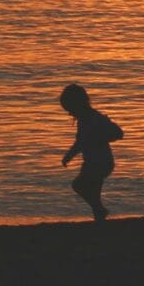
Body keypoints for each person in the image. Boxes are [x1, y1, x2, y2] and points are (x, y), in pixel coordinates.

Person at [58, 83, 124, 222]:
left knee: (79, 185)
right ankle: (99, 217)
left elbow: (118, 132)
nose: (70, 113)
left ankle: (99, 210)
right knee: (92, 191)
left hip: (100, 162)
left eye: (70, 109)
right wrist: (69, 156)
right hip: (92, 162)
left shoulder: (94, 118)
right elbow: (80, 142)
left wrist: (99, 137)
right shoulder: (84, 120)